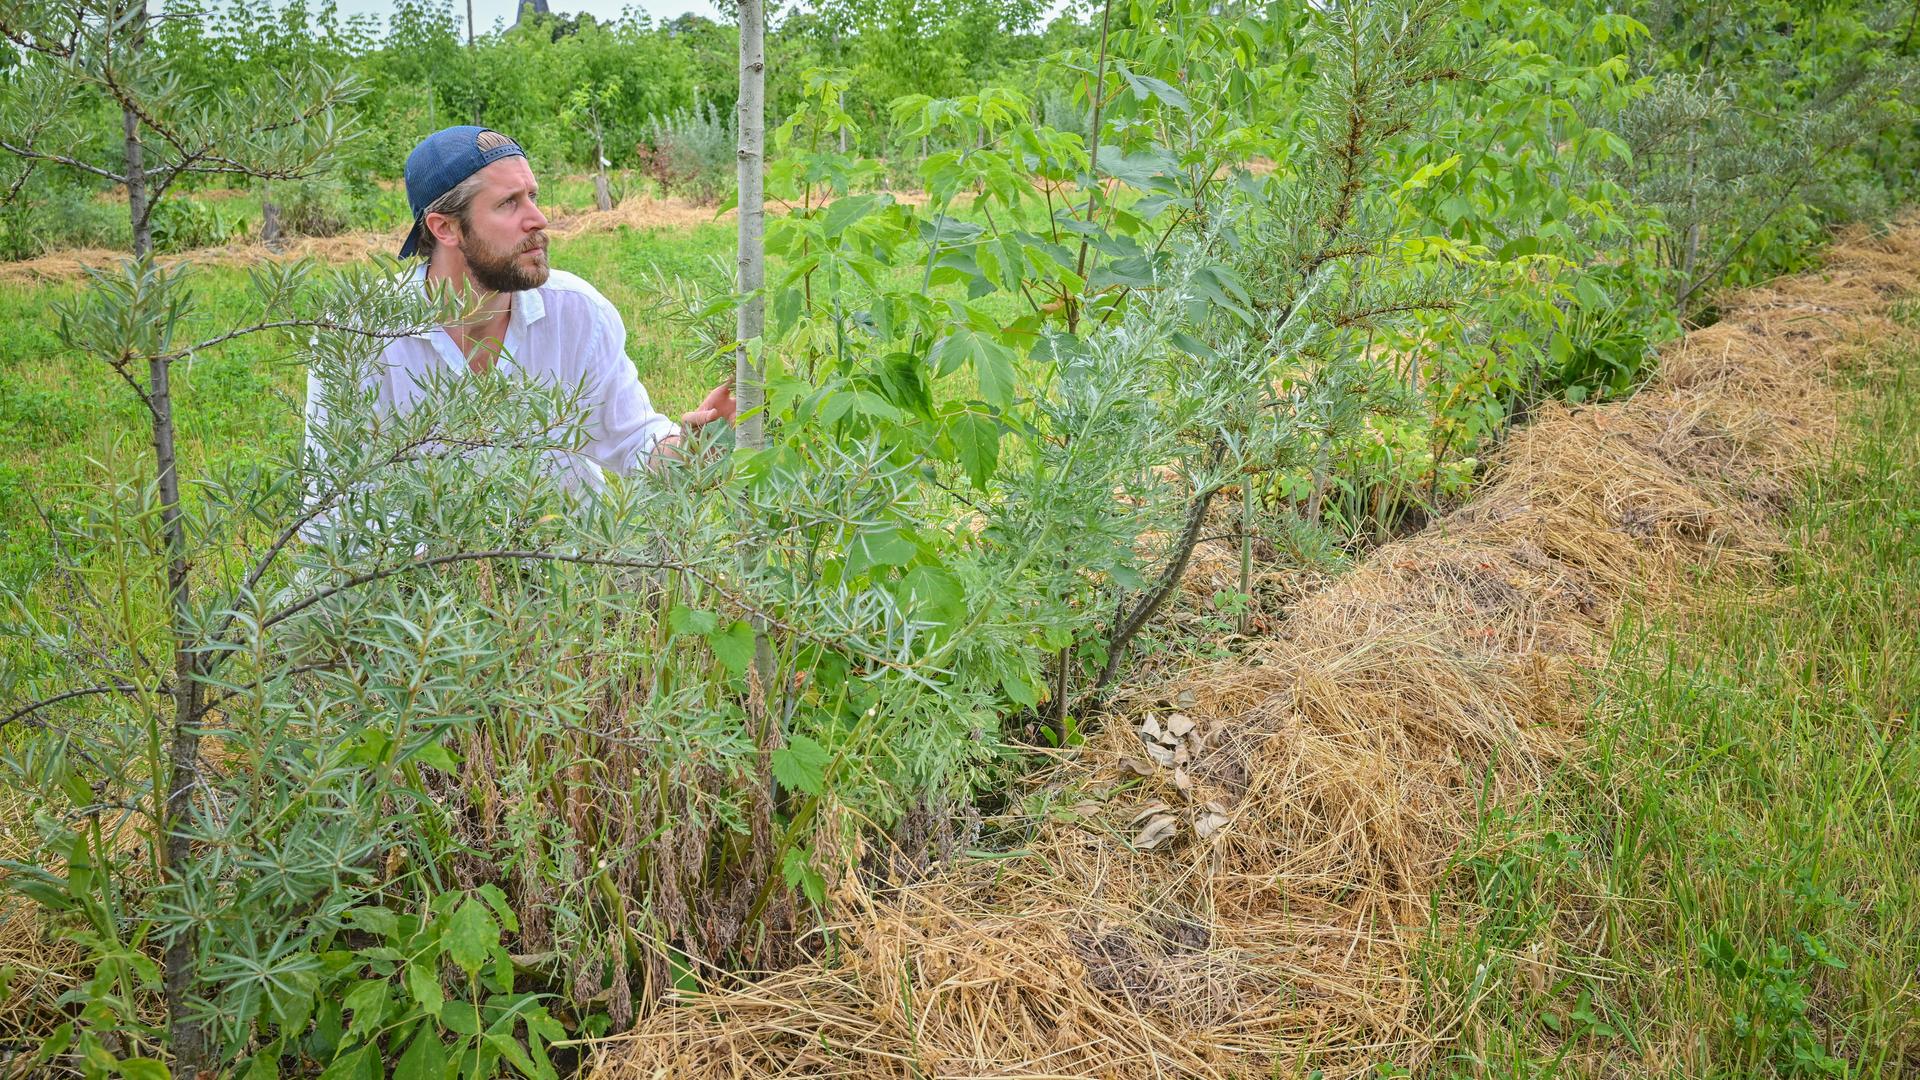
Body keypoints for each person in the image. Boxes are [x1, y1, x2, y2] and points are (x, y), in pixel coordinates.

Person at [303, 125, 735, 494]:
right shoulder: (357, 338)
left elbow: (633, 440)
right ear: (446, 227)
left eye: (533, 196)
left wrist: (695, 449)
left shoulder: (578, 314)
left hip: (566, 568)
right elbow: (333, 499)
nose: (539, 219)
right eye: (509, 203)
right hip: (416, 580)